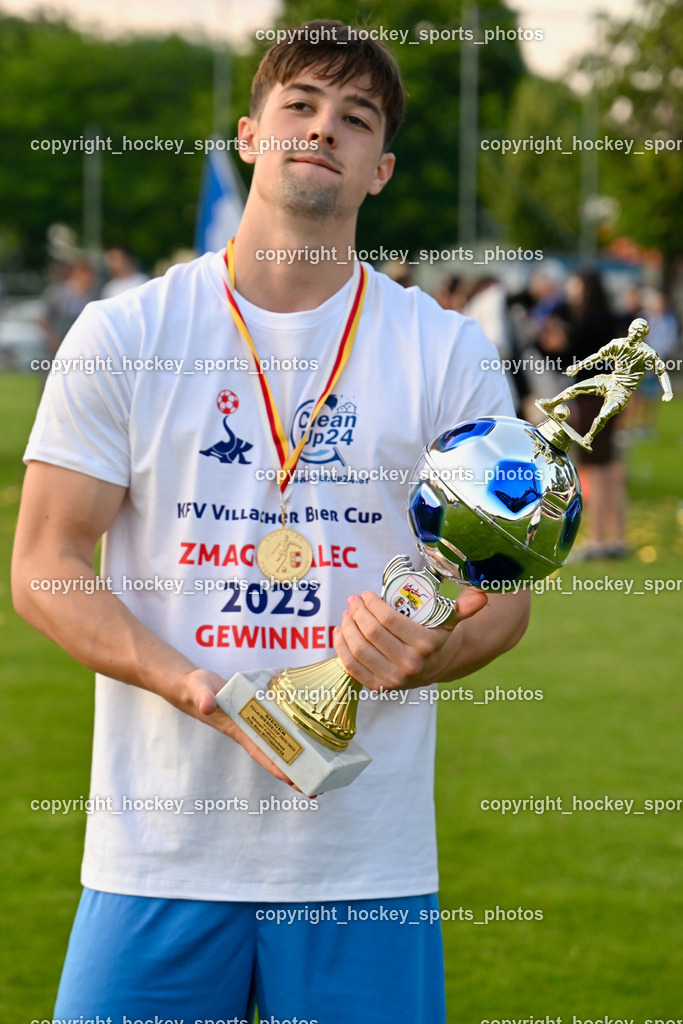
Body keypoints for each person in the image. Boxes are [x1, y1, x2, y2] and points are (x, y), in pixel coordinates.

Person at [12, 21, 530, 1024]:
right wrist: (194, 685)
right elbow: (44, 563)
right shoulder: (127, 331)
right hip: (157, 847)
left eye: (354, 117)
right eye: (298, 104)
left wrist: (427, 650)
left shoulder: (445, 352)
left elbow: (500, 597)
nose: (320, 129)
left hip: (358, 857)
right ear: (249, 134)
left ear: (378, 169)